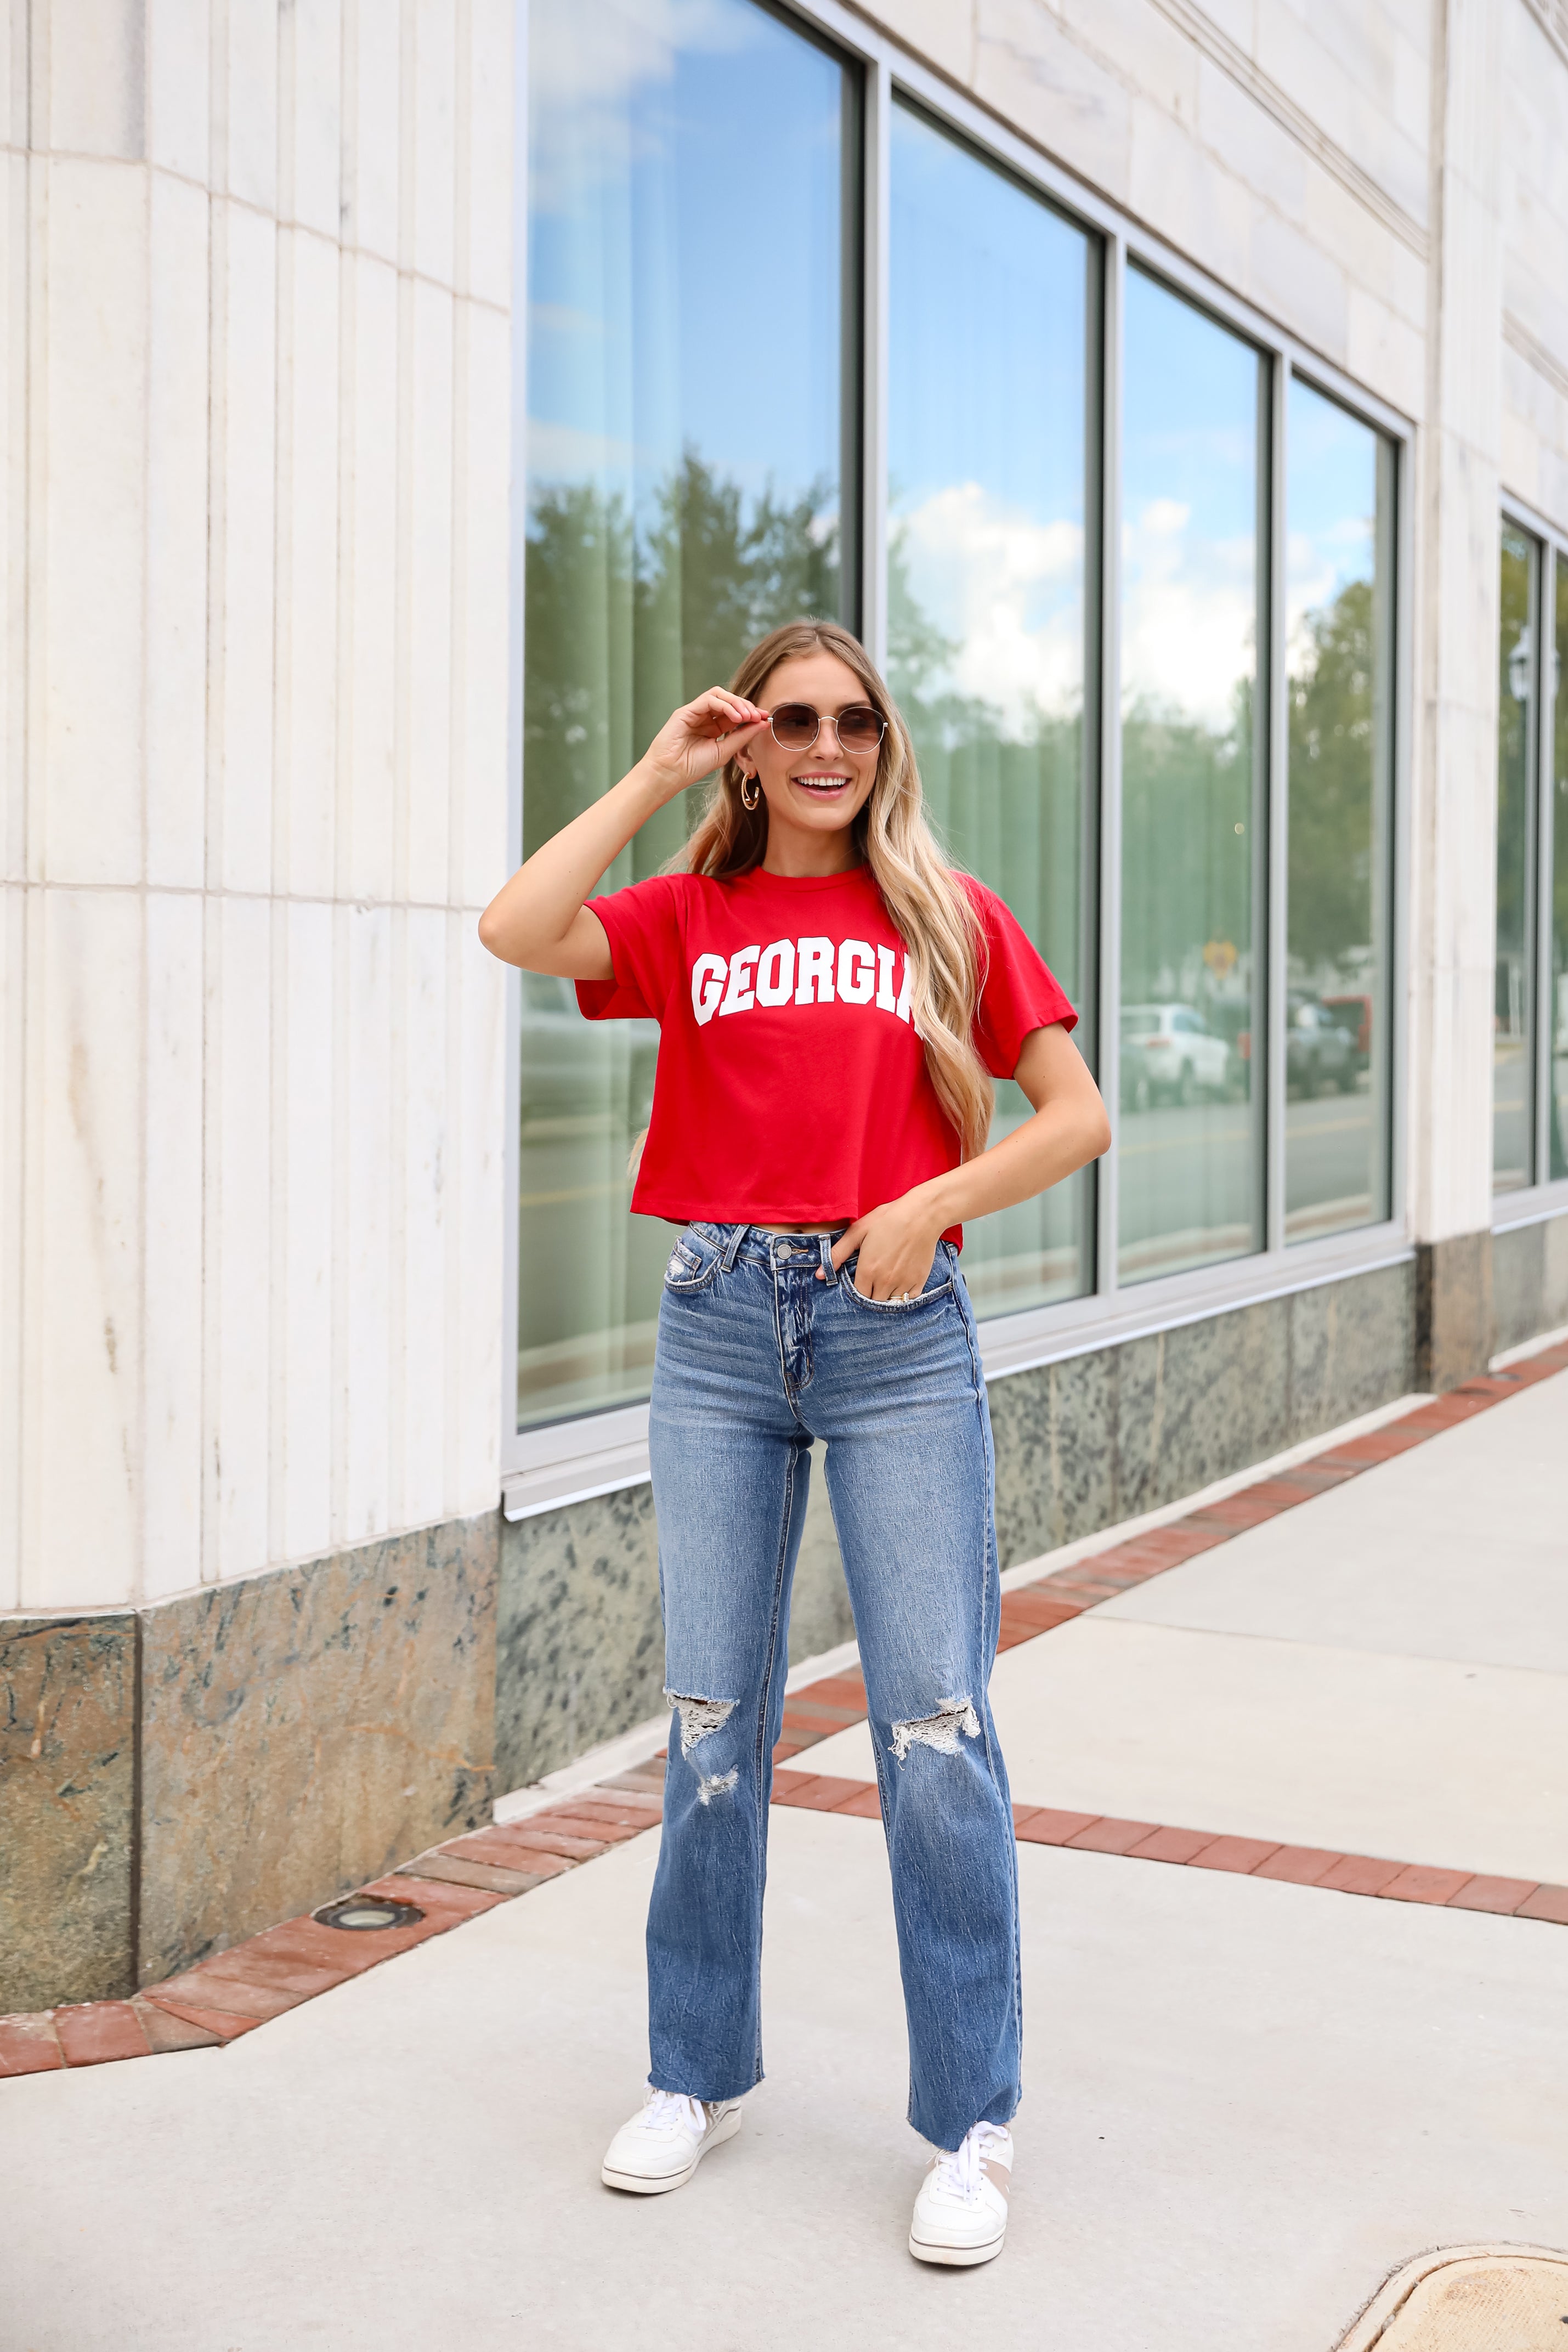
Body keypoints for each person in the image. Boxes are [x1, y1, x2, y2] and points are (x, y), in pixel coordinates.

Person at [479, 619, 1110, 2267]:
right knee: (708, 1723)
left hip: (894, 1333)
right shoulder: (690, 918)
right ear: (751, 745)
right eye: (791, 722)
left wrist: (926, 1202)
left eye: (853, 721)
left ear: (883, 744)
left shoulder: (946, 919)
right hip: (714, 1327)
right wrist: (660, 769)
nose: (825, 746)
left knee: (933, 1728)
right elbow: (514, 927)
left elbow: (1076, 1114)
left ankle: (969, 2119)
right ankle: (693, 2072)